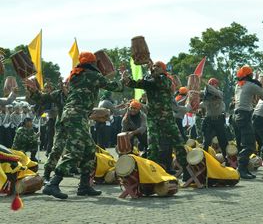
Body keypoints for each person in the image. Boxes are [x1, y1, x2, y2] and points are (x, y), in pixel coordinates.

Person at [43, 52, 124, 199]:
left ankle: (84, 186)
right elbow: (115, 87)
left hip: (73, 115)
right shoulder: (93, 75)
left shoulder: (76, 75)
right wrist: (124, 80)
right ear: (93, 63)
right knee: (75, 151)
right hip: (76, 116)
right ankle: (53, 184)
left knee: (89, 150)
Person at [122, 61, 188, 177]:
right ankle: (151, 173)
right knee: (153, 145)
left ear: (163, 69)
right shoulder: (150, 80)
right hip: (153, 118)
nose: (155, 68)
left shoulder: (166, 80)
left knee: (178, 142)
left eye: (158, 67)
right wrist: (127, 79)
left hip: (167, 118)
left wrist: (151, 72)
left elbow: (158, 82)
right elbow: (139, 83)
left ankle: (187, 171)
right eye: (154, 66)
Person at [234, 65, 263, 179]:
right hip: (244, 115)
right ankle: (241, 169)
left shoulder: (238, 85)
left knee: (244, 143)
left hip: (237, 115)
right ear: (249, 75)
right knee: (250, 145)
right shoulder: (250, 85)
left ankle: (243, 168)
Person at [26, 79, 68, 183]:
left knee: (87, 150)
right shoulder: (58, 94)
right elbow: (41, 98)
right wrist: (34, 91)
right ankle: (47, 175)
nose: (67, 87)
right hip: (63, 127)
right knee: (57, 149)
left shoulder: (80, 93)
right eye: (66, 85)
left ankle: (85, 181)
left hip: (79, 127)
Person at [200, 78, 228, 157]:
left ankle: (227, 159)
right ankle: (202, 159)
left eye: (214, 84)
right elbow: (203, 104)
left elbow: (215, 92)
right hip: (209, 120)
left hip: (219, 120)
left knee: (223, 141)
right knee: (206, 142)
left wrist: (206, 84)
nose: (213, 86)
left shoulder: (219, 93)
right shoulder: (207, 96)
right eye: (211, 84)